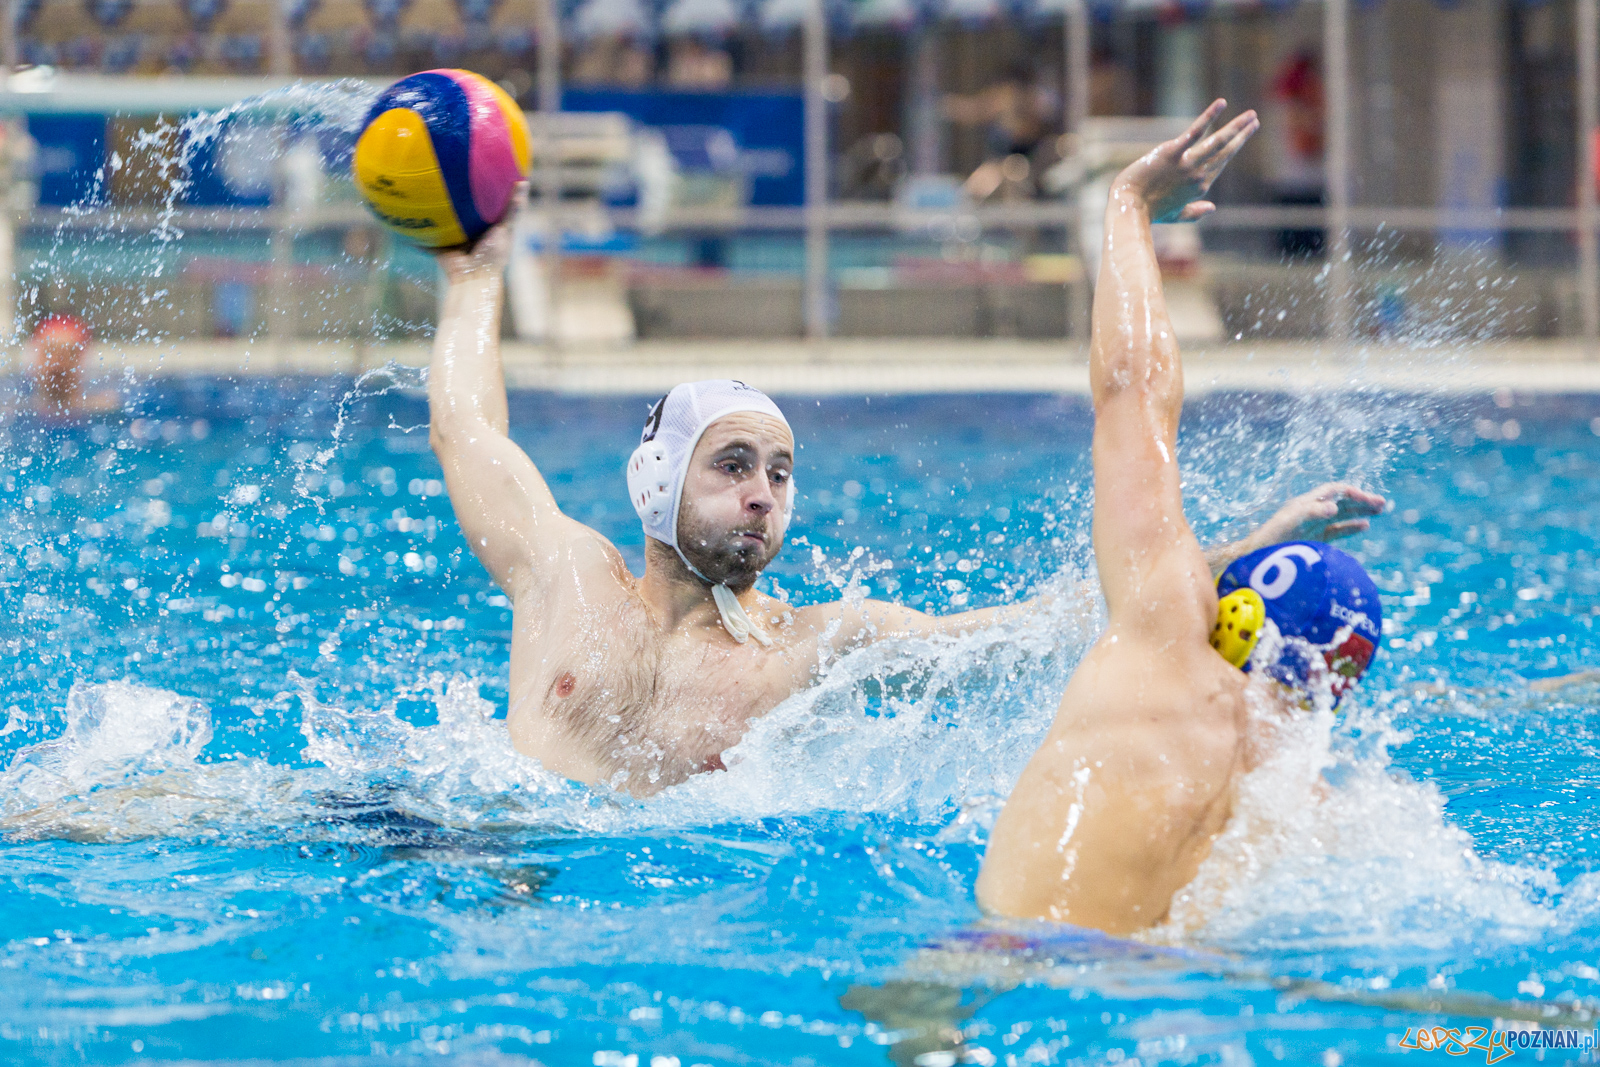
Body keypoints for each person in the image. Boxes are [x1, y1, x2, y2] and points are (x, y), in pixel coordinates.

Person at [425, 174, 1383, 797]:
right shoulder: (564, 574)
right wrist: (475, 278)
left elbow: (1039, 627)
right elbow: (468, 428)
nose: (765, 494)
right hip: (481, 847)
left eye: (781, 473)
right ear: (656, 482)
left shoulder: (815, 643)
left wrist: (1237, 554)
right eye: (733, 465)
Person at [974, 101, 1393, 936]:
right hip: (1156, 991)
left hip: (991, 963)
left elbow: (1134, 392)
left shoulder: (1165, 645)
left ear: (1235, 616)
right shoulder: (1312, 800)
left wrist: (1128, 206)